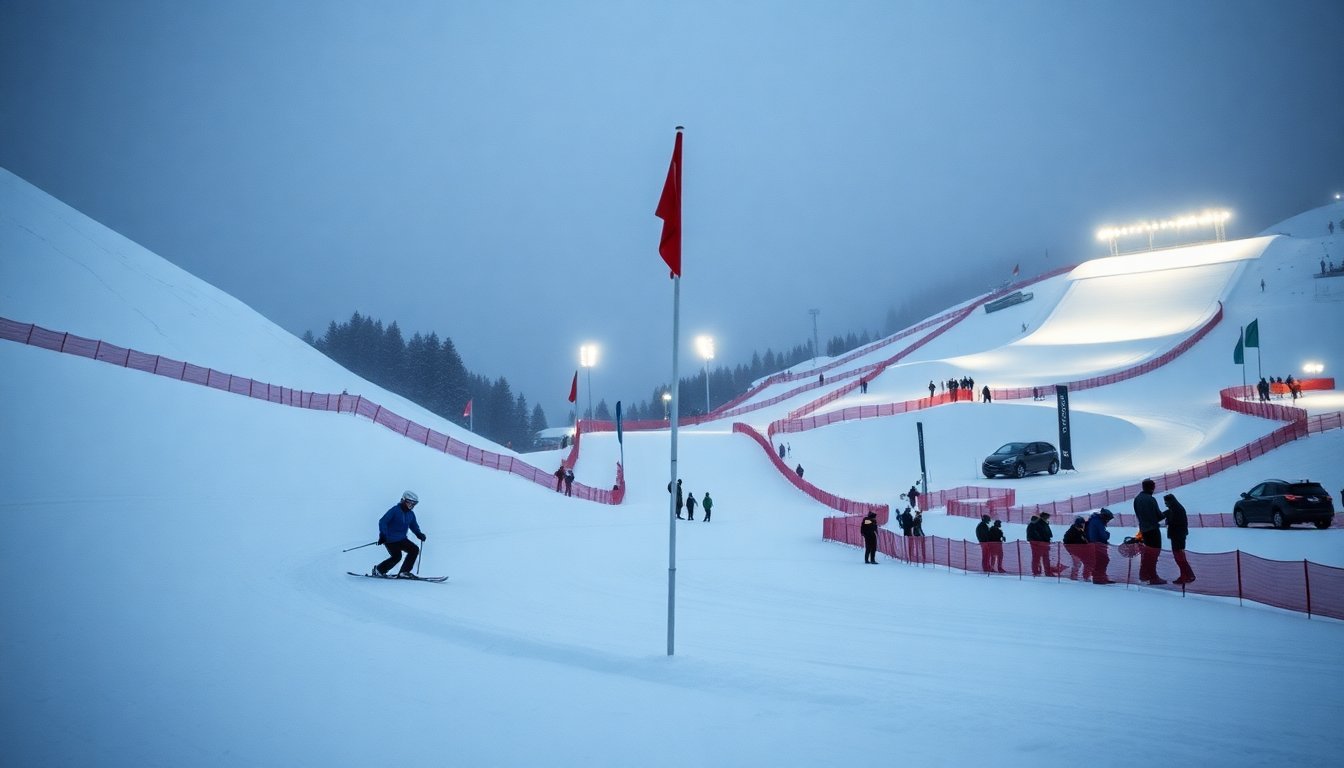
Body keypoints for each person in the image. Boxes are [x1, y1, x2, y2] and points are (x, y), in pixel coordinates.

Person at [371, 491, 427, 578]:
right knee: (397, 556)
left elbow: (413, 525)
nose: (411, 505)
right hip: (390, 539)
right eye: (409, 502)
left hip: (402, 539)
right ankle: (379, 570)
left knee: (414, 549)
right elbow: (383, 522)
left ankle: (404, 572)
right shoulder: (395, 510)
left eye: (414, 503)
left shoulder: (410, 514)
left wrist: (419, 534)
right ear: (404, 501)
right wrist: (383, 535)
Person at [1133, 479, 1167, 585]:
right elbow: (1158, 516)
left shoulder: (1137, 499)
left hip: (1143, 530)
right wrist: (1168, 512)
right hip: (1152, 530)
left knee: (1147, 554)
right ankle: (1153, 577)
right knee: (1154, 554)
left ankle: (1143, 575)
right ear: (1152, 488)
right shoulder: (1150, 499)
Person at [1163, 493, 1196, 585]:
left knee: (1179, 557)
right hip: (1178, 536)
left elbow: (1174, 521)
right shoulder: (1175, 508)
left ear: (1170, 502)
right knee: (1179, 557)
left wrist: (1167, 521)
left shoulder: (1176, 510)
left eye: (1166, 503)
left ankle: (1188, 575)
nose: (1165, 504)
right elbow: (1166, 514)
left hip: (1177, 536)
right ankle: (1185, 575)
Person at [1086, 509, 1115, 584]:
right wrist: (1107, 534)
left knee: (1101, 561)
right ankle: (1098, 578)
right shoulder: (1098, 522)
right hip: (1098, 545)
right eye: (1108, 519)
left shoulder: (1095, 520)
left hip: (1096, 544)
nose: (1108, 521)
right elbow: (1104, 535)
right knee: (1102, 561)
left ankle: (1101, 577)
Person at [1062, 516, 1092, 581]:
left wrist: (1086, 543)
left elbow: (1083, 540)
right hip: (1074, 551)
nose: (1083, 525)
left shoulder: (1081, 531)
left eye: (1083, 524)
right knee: (1077, 563)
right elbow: (1066, 541)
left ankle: (1086, 576)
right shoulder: (1071, 532)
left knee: (1087, 562)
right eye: (1082, 524)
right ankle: (1073, 577)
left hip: (1082, 550)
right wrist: (1072, 549)